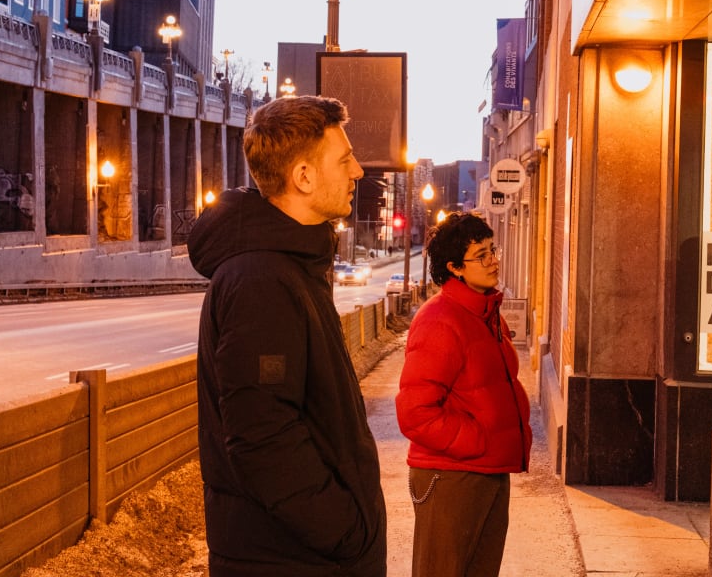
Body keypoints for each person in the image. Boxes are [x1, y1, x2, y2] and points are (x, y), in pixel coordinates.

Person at [190, 95, 387, 577]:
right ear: (303, 176)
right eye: (344, 160)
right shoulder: (261, 279)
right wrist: (344, 532)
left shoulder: (289, 265)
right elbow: (263, 437)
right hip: (291, 560)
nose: (358, 171)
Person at [395, 212, 532, 577]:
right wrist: (477, 439)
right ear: (455, 268)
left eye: (492, 250)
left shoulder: (487, 314)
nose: (493, 261)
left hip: (489, 471)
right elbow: (415, 413)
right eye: (481, 255)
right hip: (451, 476)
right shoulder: (439, 319)